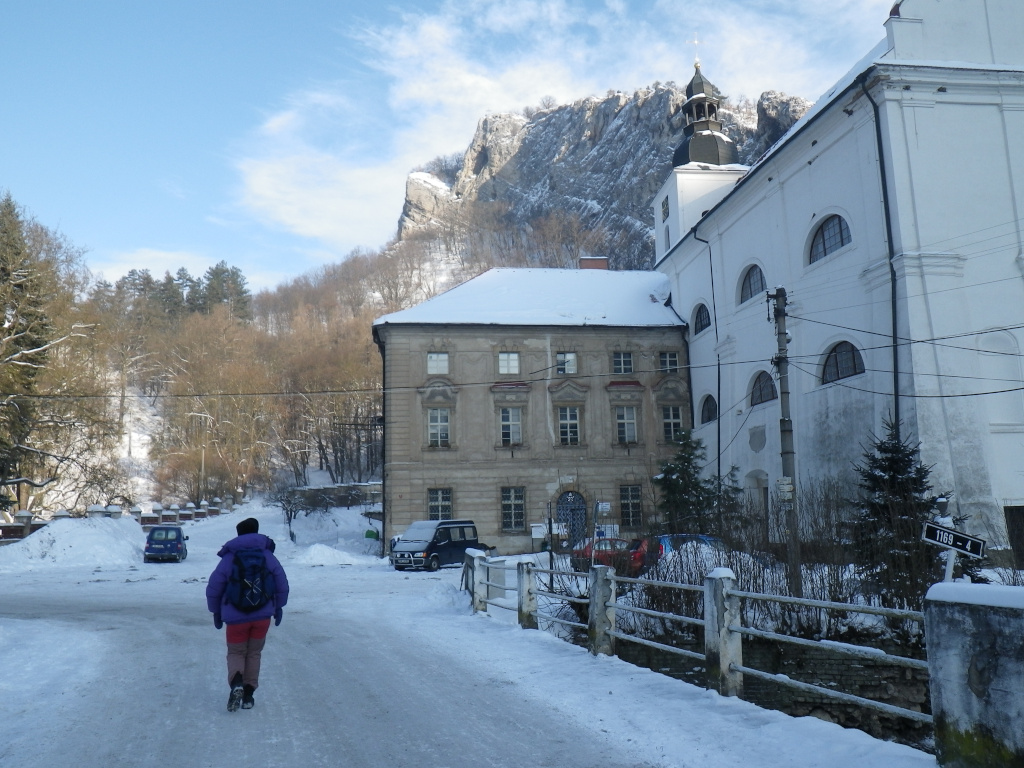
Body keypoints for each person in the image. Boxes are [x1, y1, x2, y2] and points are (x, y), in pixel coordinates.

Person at [206, 517, 289, 711]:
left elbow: (213, 588)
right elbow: (281, 583)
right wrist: (278, 607)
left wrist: (216, 612)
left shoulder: (229, 557)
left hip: (235, 618)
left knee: (236, 651)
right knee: (254, 653)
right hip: (262, 617)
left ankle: (236, 684)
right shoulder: (267, 555)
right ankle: (249, 695)